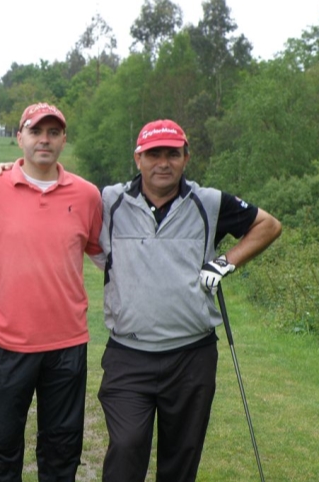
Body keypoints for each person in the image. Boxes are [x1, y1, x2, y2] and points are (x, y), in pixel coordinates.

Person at [97, 119, 282, 481]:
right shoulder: (109, 201)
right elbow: (58, 190)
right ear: (138, 158)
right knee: (126, 446)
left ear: (186, 158)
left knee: (181, 459)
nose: (162, 163)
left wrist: (226, 261)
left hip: (192, 357)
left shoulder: (208, 202)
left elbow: (268, 225)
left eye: (172, 154)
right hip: (128, 355)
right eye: (153, 154)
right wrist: (8, 168)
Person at [0, 102, 104, 481]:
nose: (45, 140)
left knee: (62, 449)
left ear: (63, 140)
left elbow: (103, 256)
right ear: (19, 136)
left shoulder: (87, 195)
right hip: (8, 342)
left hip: (68, 343)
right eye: (36, 131)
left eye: (54, 132)